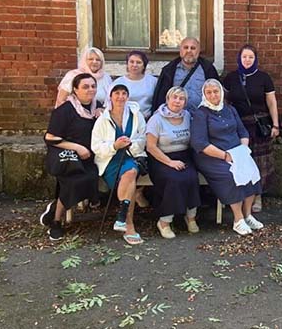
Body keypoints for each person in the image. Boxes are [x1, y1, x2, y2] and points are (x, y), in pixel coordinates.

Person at [191, 79, 263, 236]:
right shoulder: (201, 114)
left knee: (252, 171)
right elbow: (200, 143)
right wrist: (224, 155)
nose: (213, 95)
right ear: (204, 94)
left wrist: (243, 149)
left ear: (221, 93)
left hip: (236, 152)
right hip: (211, 157)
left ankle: (248, 215)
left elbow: (242, 132)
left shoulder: (230, 109)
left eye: (215, 91)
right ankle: (238, 220)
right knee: (231, 175)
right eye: (208, 92)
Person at [41, 73, 102, 241]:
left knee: (91, 177)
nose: (90, 90)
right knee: (72, 181)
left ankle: (55, 208)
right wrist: (77, 147)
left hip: (88, 157)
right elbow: (50, 137)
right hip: (67, 155)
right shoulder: (65, 110)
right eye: (85, 86)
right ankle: (56, 221)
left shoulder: (98, 108)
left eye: (93, 86)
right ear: (75, 90)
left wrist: (103, 115)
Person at [221, 45, 280, 213]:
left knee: (259, 162)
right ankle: (239, 195)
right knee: (240, 161)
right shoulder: (231, 78)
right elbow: (224, 102)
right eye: (244, 57)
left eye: (251, 57)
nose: (247, 60)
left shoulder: (263, 78)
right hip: (237, 126)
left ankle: (257, 195)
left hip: (259, 126)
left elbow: (271, 102)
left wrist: (275, 124)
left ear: (255, 59)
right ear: (239, 58)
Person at [91, 84, 147, 245]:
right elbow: (95, 146)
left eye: (124, 93)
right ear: (110, 96)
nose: (120, 97)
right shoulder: (103, 119)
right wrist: (114, 146)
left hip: (131, 156)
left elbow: (142, 139)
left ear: (128, 97)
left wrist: (130, 144)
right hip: (110, 160)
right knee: (127, 181)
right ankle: (124, 219)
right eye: (117, 93)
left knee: (130, 173)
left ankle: (126, 222)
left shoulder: (136, 115)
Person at [145, 87, 202, 239]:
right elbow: (150, 146)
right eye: (174, 97)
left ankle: (190, 217)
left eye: (181, 98)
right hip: (161, 157)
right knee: (174, 180)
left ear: (185, 102)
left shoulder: (187, 116)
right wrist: (169, 162)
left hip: (184, 155)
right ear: (167, 99)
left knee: (191, 178)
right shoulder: (156, 119)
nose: (177, 101)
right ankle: (164, 221)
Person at [152, 37, 219, 115]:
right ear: (180, 50)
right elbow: (160, 97)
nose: (189, 51)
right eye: (186, 47)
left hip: (202, 118)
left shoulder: (208, 69)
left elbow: (217, 95)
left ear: (198, 51)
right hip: (176, 118)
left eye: (193, 48)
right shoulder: (169, 70)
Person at [111, 50, 157, 119]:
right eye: (131, 62)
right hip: (126, 119)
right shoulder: (118, 82)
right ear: (127, 64)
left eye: (138, 62)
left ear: (144, 65)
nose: (134, 65)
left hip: (148, 119)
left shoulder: (153, 81)